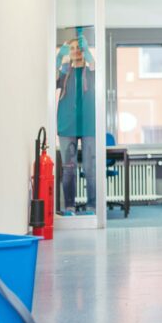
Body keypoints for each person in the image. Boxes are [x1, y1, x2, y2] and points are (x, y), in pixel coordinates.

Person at [56, 32, 96, 213]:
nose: (76, 51)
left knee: (90, 168)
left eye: (78, 48)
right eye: (72, 49)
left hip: (89, 125)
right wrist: (59, 55)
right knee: (69, 170)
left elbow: (95, 64)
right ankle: (69, 207)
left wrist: (86, 49)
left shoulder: (91, 72)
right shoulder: (65, 73)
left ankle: (92, 206)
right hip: (67, 126)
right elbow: (51, 75)